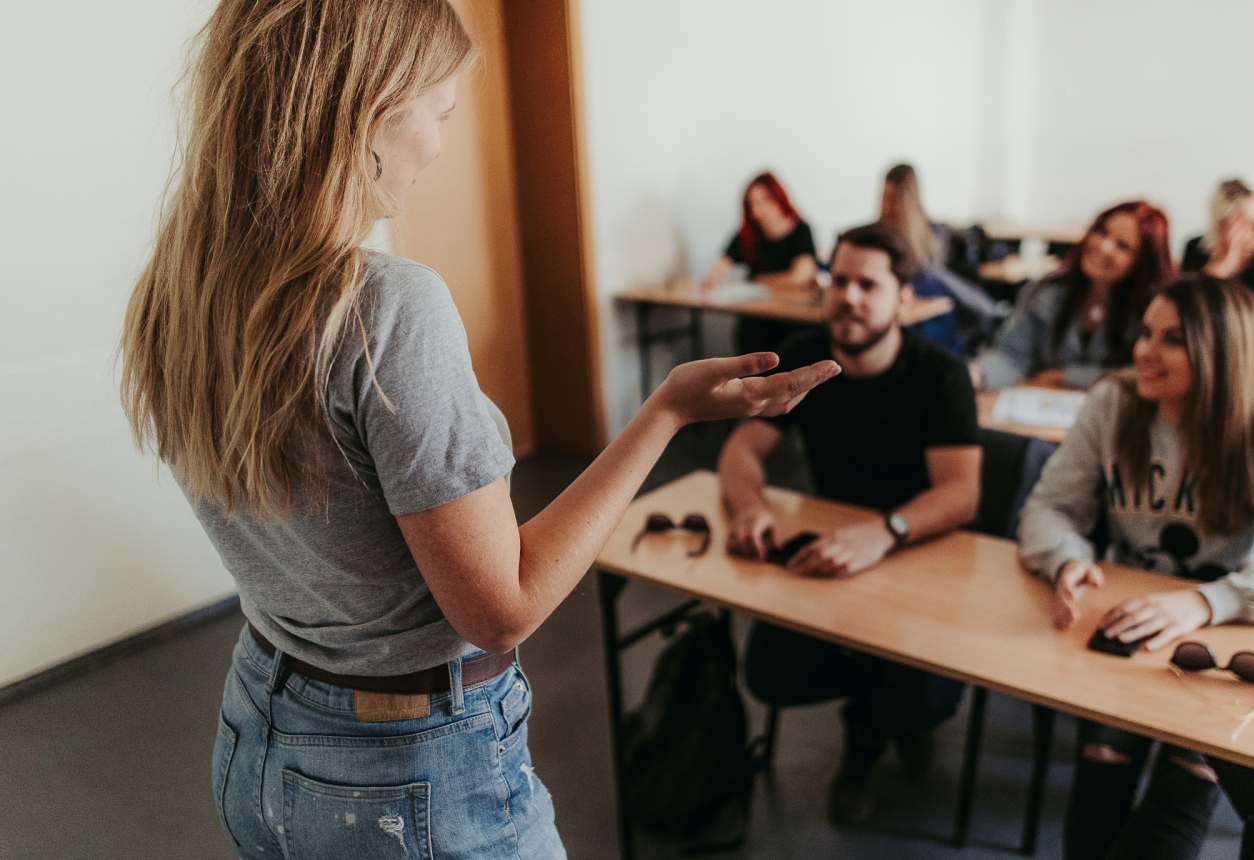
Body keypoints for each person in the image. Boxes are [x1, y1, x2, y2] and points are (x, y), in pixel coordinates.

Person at [117, 3, 837, 857]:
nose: (439, 144)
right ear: (372, 108)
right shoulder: (386, 308)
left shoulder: (177, 292)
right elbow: (503, 608)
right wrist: (668, 412)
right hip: (405, 776)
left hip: (259, 730)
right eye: (439, 111)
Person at [1019, 275, 1254, 860]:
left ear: (1221, 353)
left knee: (1181, 791)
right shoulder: (1113, 403)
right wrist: (1067, 557)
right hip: (1129, 619)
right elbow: (1048, 508)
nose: (1145, 350)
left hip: (1229, 631)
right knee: (1101, 775)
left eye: (1172, 339)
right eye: (1146, 332)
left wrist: (1205, 601)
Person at [717, 222, 982, 826]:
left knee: (928, 695)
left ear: (903, 300)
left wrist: (884, 531)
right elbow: (740, 452)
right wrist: (752, 507)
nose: (850, 297)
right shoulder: (809, 359)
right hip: (831, 558)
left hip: (919, 555)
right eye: (840, 280)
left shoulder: (940, 376)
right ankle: (882, 702)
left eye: (869, 284)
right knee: (768, 672)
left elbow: (961, 494)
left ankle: (865, 741)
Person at [973, 200, 1175, 391]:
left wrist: (1065, 376)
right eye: (1102, 232)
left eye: (1122, 246)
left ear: (1143, 263)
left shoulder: (1153, 311)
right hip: (1040, 409)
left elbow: (1144, 372)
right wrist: (976, 374)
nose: (1104, 247)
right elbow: (1010, 356)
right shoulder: (1046, 292)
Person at [878, 163, 1003, 354]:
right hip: (914, 292)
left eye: (892, 197)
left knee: (938, 279)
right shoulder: (883, 233)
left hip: (924, 293)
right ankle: (991, 313)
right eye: (886, 196)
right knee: (940, 280)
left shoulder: (927, 231)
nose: (888, 203)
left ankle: (990, 314)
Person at [701, 171, 820, 354]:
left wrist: (758, 281)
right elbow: (715, 273)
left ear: (779, 198)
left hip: (790, 321)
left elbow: (800, 277)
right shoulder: (748, 235)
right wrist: (714, 281)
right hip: (756, 321)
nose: (758, 211)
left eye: (764, 201)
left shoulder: (800, 230)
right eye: (752, 205)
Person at [1181, 178, 1254, 306]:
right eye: (1248, 223)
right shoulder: (1196, 248)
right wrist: (1223, 263)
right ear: (1222, 225)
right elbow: (1192, 307)